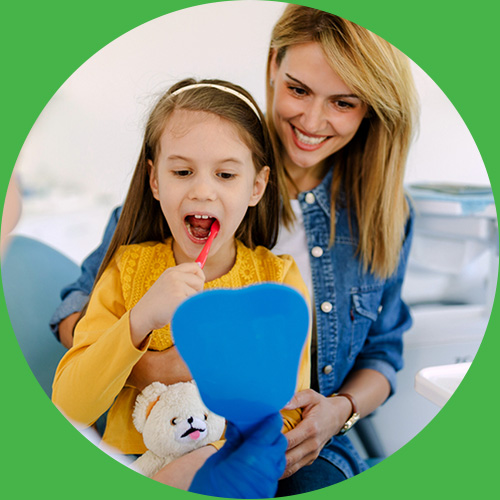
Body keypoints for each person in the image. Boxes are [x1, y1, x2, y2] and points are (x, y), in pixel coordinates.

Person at [51, 4, 418, 495]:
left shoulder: (366, 224)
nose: (312, 119)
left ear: (255, 185)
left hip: (297, 443)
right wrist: (147, 352)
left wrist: (339, 412)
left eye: (344, 102)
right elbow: (78, 314)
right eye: (298, 89)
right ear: (272, 66)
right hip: (148, 438)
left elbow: (382, 352)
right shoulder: (163, 209)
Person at [51, 78, 311, 492]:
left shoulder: (278, 282)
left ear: (256, 186)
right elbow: (69, 406)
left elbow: (288, 414)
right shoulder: (126, 269)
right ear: (155, 181)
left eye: (225, 174)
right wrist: (140, 319)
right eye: (182, 171)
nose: (202, 190)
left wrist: (208, 455)